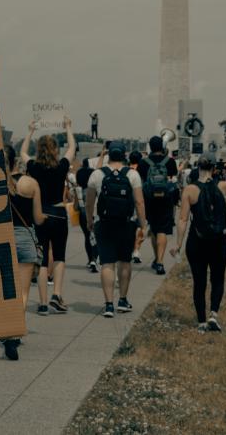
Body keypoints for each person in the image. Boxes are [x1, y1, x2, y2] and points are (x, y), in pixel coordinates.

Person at [170, 153, 226, 333]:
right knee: (217, 279)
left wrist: (178, 244)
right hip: (219, 241)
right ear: (213, 168)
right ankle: (213, 315)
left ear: (198, 167)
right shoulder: (221, 186)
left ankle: (201, 321)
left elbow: (183, 220)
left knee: (199, 281)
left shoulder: (189, 190)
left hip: (197, 242)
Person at [20, 117, 76, 315]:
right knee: (59, 256)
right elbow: (72, 147)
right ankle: (57, 295)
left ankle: (42, 303)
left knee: (42, 260)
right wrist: (68, 128)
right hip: (59, 213)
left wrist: (30, 131)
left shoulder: (34, 167)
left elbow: (22, 153)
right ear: (55, 149)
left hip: (40, 213)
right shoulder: (61, 166)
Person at [85, 141, 147, 318]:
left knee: (107, 263)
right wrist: (143, 224)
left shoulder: (97, 174)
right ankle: (122, 300)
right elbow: (139, 202)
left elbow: (89, 202)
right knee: (124, 261)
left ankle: (109, 305)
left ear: (109, 154)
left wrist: (89, 221)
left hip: (103, 223)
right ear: (124, 155)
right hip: (126, 223)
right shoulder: (133, 175)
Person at [3, 144, 46, 359]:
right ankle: (13, 335)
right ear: (15, 162)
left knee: (3, 290)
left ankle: (5, 327)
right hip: (23, 237)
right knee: (22, 291)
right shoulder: (30, 183)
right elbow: (37, 219)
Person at [137, 136, 178, 275]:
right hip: (166, 199)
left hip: (149, 199)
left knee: (154, 228)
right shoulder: (170, 161)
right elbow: (173, 180)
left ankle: (156, 259)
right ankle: (160, 262)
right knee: (163, 230)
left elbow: (141, 181)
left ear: (150, 146)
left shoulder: (143, 163)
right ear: (162, 146)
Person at [74, 158, 99, 273]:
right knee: (95, 237)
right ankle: (96, 258)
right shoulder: (93, 188)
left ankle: (90, 260)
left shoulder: (78, 189)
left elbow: (75, 207)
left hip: (82, 215)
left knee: (87, 236)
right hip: (94, 213)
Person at [129, 151, 145, 264]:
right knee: (140, 226)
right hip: (139, 200)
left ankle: (130, 249)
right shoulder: (142, 170)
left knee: (130, 227)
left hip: (127, 201)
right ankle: (136, 250)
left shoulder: (126, 170)